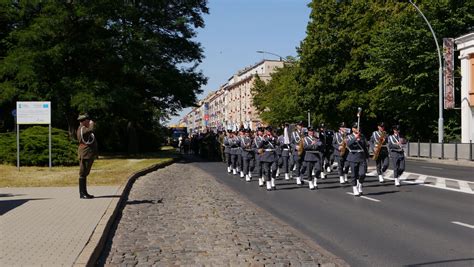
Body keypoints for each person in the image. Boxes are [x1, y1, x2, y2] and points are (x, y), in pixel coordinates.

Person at [77, 113, 98, 199]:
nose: (89, 121)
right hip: (85, 154)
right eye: (88, 120)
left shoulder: (84, 128)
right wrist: (92, 124)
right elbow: (90, 130)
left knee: (85, 173)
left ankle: (84, 192)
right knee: (83, 173)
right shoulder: (82, 129)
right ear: (84, 121)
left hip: (88, 154)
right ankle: (82, 193)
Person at [346, 122, 369, 196]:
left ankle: (360, 185)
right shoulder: (349, 136)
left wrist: (367, 156)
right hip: (353, 156)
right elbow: (348, 144)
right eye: (355, 128)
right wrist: (355, 138)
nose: (357, 129)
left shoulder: (362, 136)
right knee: (354, 174)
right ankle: (355, 187)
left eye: (358, 128)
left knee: (362, 174)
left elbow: (365, 146)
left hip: (362, 156)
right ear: (352, 129)